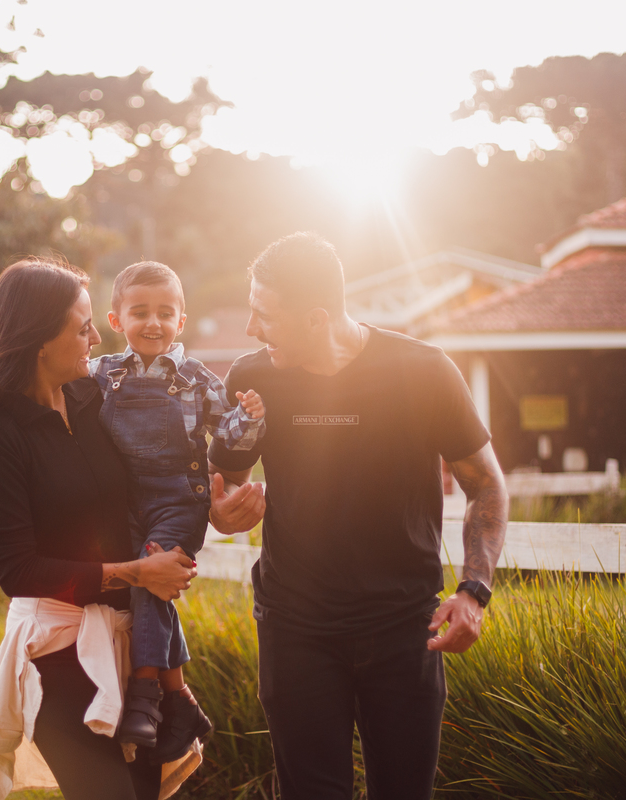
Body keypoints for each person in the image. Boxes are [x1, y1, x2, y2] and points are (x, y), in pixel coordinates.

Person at [206, 233, 509, 799]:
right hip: (295, 627)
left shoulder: (423, 371)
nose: (250, 329)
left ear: (316, 318)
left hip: (403, 628)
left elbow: (485, 483)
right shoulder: (253, 379)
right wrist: (226, 515)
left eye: (264, 315)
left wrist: (474, 589)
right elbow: (225, 492)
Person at [0, 258, 199, 800]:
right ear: (39, 338)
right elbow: (16, 570)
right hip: (56, 653)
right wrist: (137, 574)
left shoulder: (92, 398)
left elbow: (158, 466)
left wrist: (220, 494)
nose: (97, 336)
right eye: (83, 326)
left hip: (127, 646)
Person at [88, 261, 266, 762]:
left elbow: (227, 439)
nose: (153, 323)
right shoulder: (101, 374)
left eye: (166, 313)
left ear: (181, 322)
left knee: (149, 570)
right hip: (122, 502)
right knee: (152, 581)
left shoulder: (195, 378)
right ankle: (181, 700)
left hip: (178, 499)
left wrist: (247, 419)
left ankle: (145, 695)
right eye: (140, 311)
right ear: (116, 320)